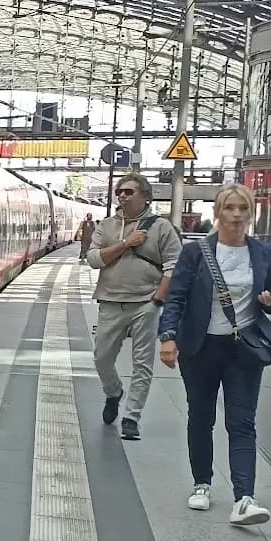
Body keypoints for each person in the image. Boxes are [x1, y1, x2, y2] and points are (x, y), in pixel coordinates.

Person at [158, 183, 271, 525]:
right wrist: (167, 336)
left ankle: (244, 497)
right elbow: (177, 298)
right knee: (201, 416)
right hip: (200, 347)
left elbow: (267, 299)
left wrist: (270, 303)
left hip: (243, 349)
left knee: (242, 422)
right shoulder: (196, 252)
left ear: (250, 213)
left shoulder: (261, 252)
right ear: (219, 212)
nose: (236, 215)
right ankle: (202, 483)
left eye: (243, 208)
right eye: (230, 208)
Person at [87, 174, 180, 439]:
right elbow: (93, 259)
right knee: (102, 358)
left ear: (145, 196)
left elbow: (174, 266)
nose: (123, 196)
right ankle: (113, 392)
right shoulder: (106, 226)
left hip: (145, 303)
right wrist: (126, 243)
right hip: (110, 300)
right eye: (120, 192)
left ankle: (132, 417)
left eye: (129, 192)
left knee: (142, 363)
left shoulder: (162, 227)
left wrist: (157, 301)